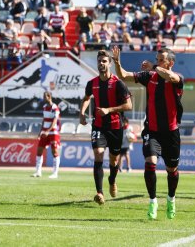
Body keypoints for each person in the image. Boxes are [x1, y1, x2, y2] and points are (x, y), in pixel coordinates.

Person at [114, 46, 184, 220]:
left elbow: (169, 75)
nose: (158, 62)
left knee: (171, 169)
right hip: (152, 131)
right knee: (150, 163)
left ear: (170, 63)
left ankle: (171, 199)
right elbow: (124, 75)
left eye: (162, 60)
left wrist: (154, 67)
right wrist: (116, 62)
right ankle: (153, 201)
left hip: (171, 132)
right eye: (157, 59)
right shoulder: (149, 77)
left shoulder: (177, 78)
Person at [79, 49, 132, 205]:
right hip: (98, 126)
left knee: (114, 160)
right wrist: (82, 112)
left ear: (109, 63)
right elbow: (87, 98)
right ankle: (99, 193)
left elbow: (129, 105)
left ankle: (112, 180)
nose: (101, 64)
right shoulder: (92, 83)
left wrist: (109, 110)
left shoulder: (118, 83)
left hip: (116, 126)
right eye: (99, 61)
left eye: (104, 61)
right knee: (98, 155)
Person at [32, 91, 61, 178]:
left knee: (54, 152)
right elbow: (44, 120)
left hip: (53, 132)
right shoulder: (44, 107)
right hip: (44, 132)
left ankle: (55, 173)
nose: (44, 98)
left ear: (49, 97)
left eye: (45, 96)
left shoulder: (55, 108)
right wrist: (40, 131)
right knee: (39, 151)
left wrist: (48, 130)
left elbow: (55, 121)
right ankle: (38, 172)